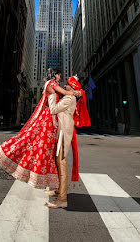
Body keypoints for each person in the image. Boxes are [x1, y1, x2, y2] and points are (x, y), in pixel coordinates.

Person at [0, 68, 79, 189]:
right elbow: (64, 93)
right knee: (42, 145)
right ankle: (11, 155)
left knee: (39, 144)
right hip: (48, 118)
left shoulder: (49, 84)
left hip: (49, 116)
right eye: (59, 74)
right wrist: (76, 92)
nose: (60, 76)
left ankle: (40, 173)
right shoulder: (52, 83)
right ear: (54, 75)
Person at [46, 76, 91, 209]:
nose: (65, 86)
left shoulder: (69, 98)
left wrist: (52, 94)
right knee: (58, 160)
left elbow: (53, 109)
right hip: (63, 130)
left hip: (63, 132)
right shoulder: (69, 97)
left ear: (71, 87)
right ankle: (60, 191)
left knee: (61, 161)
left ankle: (62, 199)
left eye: (67, 85)